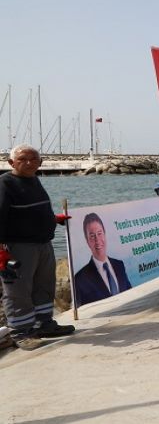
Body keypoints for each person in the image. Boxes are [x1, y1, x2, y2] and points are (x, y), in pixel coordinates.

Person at [0, 144, 74, 350]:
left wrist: (53, 219)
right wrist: (1, 252)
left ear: (40, 162)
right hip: (18, 247)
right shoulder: (5, 184)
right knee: (18, 291)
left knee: (44, 286)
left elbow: (34, 210)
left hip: (43, 243)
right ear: (11, 162)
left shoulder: (33, 180)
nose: (29, 162)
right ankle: (21, 332)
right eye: (23, 159)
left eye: (34, 159)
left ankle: (44, 324)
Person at [74, 212, 133, 306]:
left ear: (105, 235)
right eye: (92, 236)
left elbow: (130, 294)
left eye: (99, 233)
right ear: (87, 241)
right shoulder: (80, 279)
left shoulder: (119, 265)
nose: (97, 240)